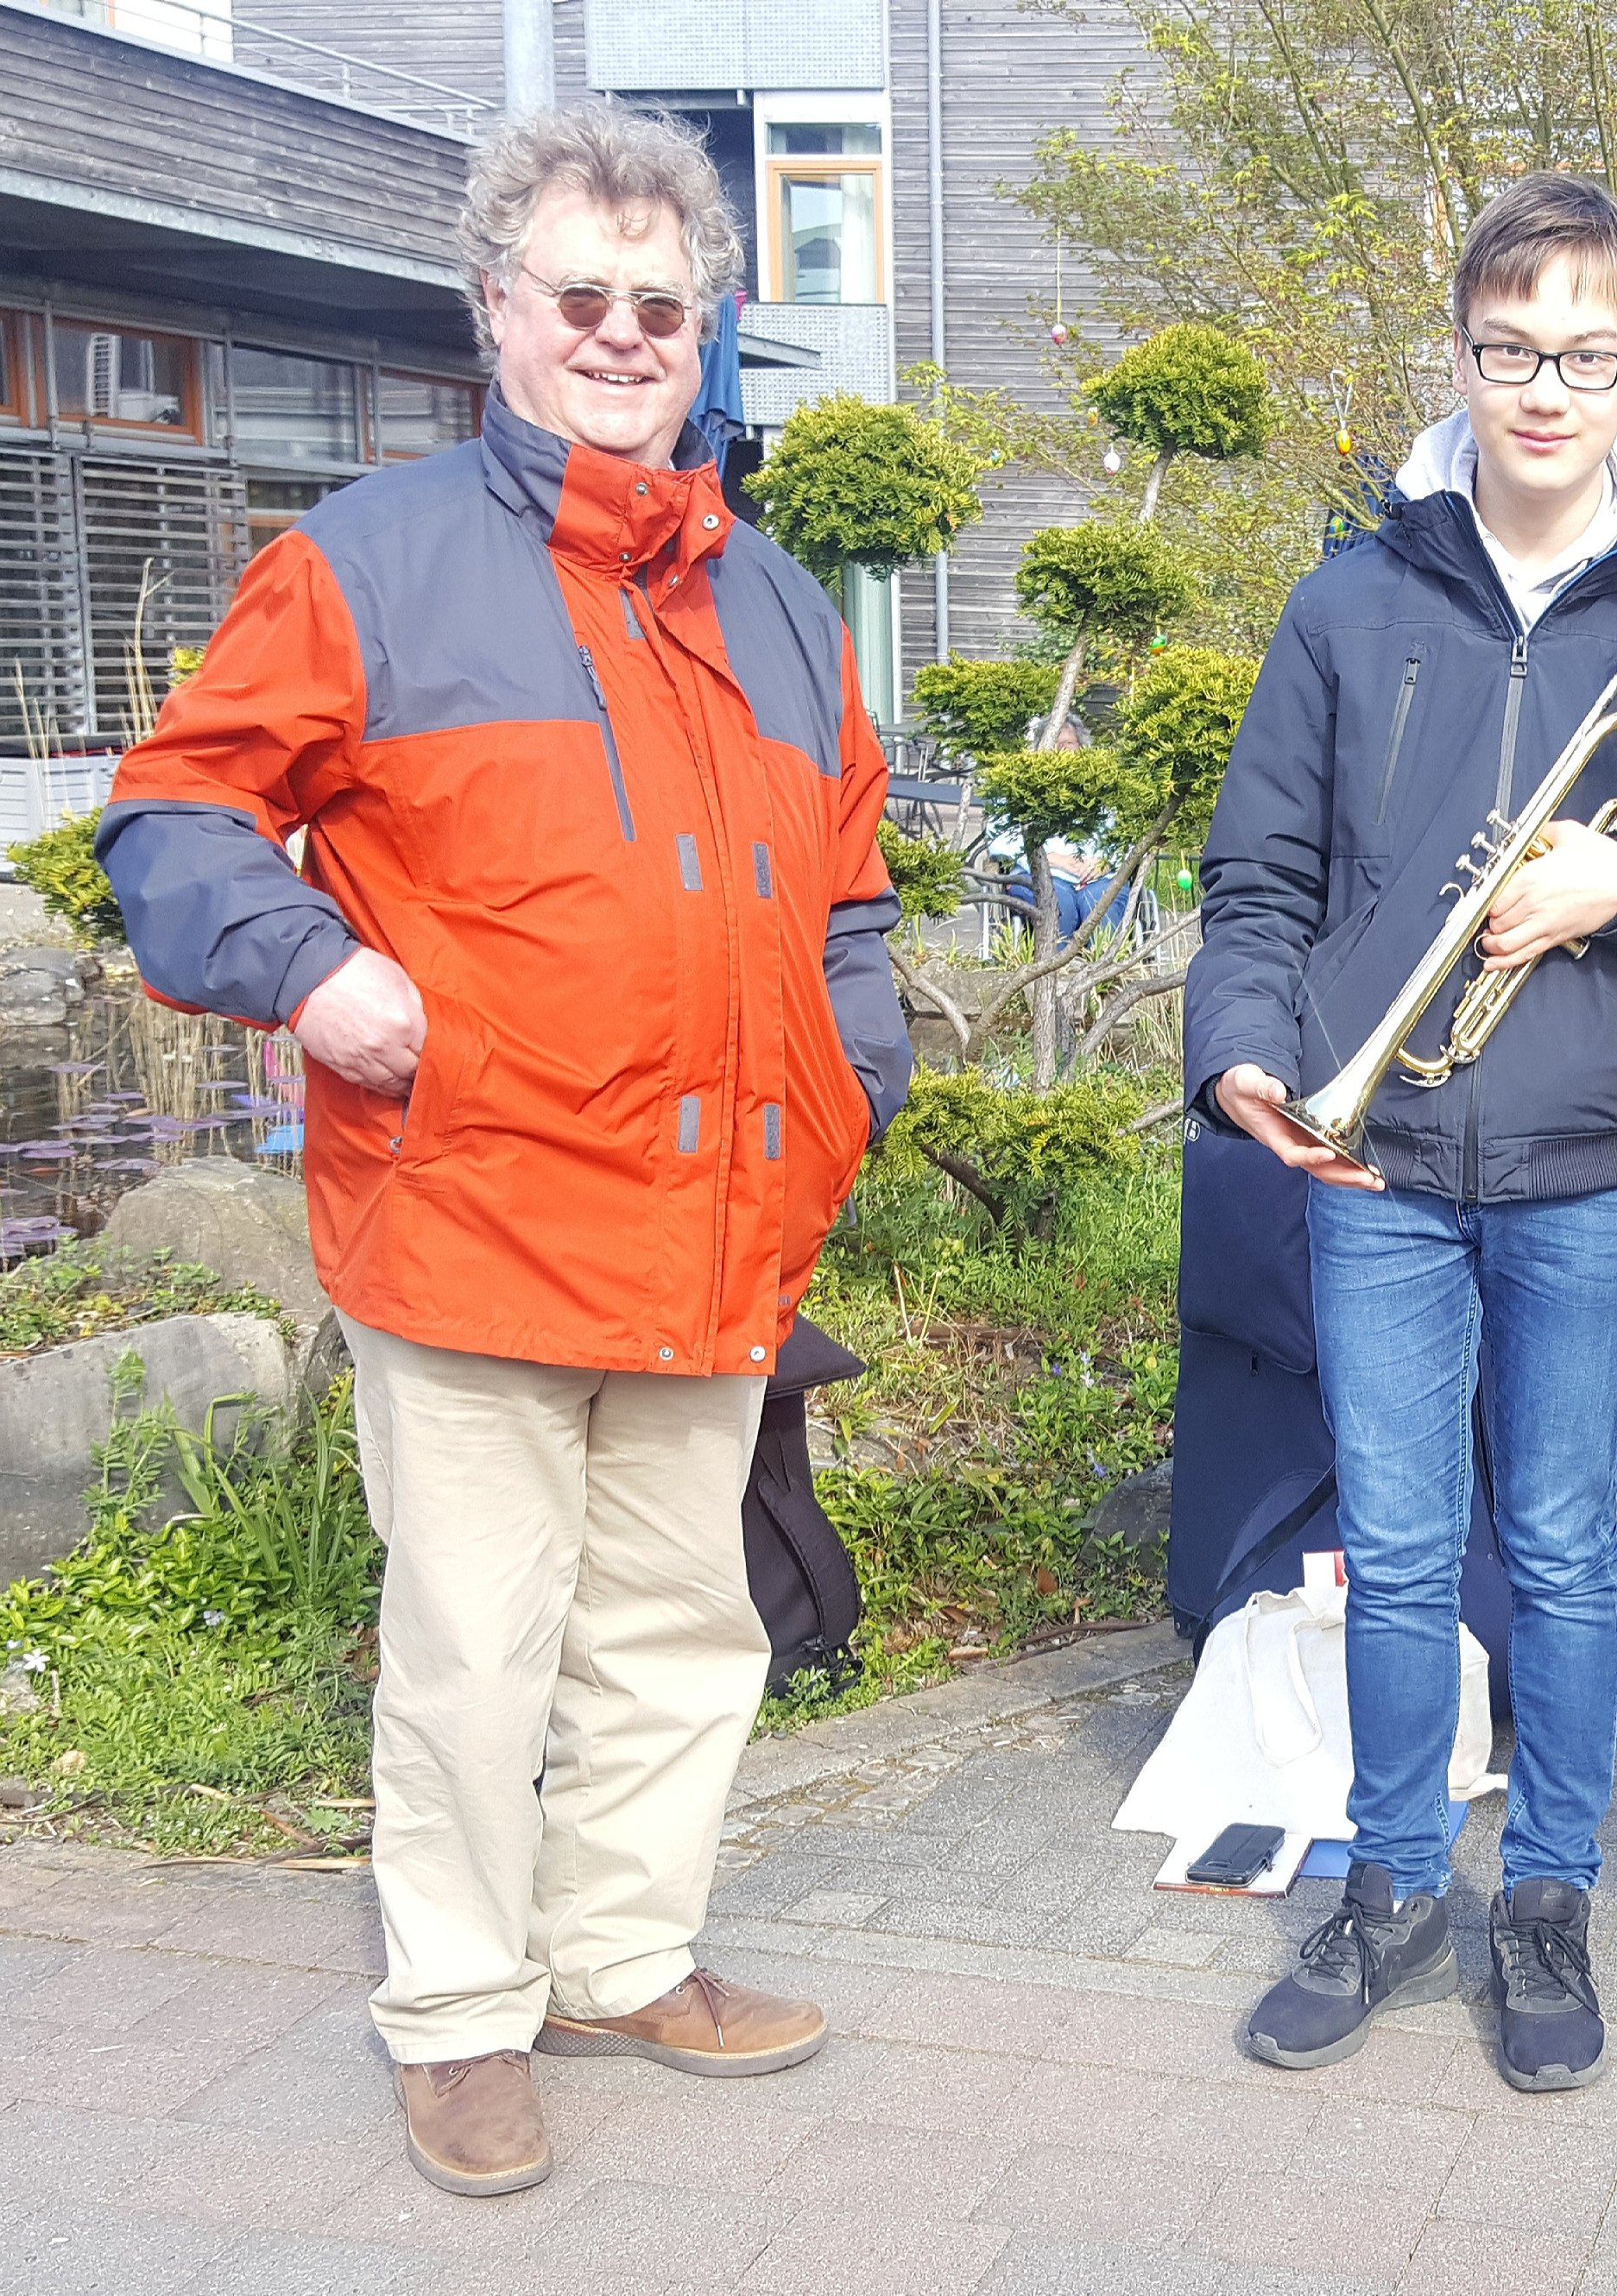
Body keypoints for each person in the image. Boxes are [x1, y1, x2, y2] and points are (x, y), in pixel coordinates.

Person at [96, 104, 913, 2200]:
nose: (624, 333)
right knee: (475, 1648)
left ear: (705, 328)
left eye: (663, 304)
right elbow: (175, 817)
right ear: (499, 314)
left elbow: (849, 905)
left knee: (680, 1624)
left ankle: (621, 1954)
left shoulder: (791, 611)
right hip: (469, 1212)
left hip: (719, 1225)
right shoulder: (363, 562)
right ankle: (460, 2013)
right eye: (584, 298)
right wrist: (304, 967)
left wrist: (853, 1086)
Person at [1187, 172, 1617, 2090]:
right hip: (1370, 1157)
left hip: (1590, 1165)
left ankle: (1543, 1894)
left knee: (1556, 1546)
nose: (1548, 388)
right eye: (1513, 348)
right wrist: (1239, 1051)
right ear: (1461, 349)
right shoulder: (1351, 595)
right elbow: (1257, 879)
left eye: (1589, 354)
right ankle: (1392, 1884)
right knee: (1393, 1544)